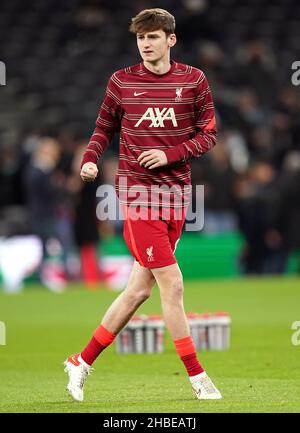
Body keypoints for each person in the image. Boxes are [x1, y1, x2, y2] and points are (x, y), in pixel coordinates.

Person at [64, 8, 222, 401]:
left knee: (138, 291)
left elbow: (209, 134)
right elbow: (103, 127)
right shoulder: (121, 81)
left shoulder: (193, 80)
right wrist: (89, 158)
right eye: (141, 38)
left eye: (153, 37)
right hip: (137, 195)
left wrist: (172, 153)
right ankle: (197, 377)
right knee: (174, 284)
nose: (146, 44)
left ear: (171, 39)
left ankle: (81, 362)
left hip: (176, 196)